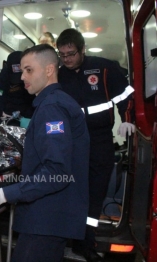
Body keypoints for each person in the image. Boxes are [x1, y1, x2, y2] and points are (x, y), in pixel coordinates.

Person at [0, 44, 90, 261]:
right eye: (22, 70)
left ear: (49, 70)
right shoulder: (53, 104)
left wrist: (3, 195)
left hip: (47, 218)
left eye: (29, 70)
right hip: (51, 216)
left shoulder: (52, 108)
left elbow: (55, 171)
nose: (22, 77)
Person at [56, 28, 135, 262]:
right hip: (70, 141)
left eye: (71, 54)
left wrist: (128, 120)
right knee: (69, 191)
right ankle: (63, 239)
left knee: (94, 195)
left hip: (100, 140)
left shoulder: (104, 68)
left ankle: (85, 244)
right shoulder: (59, 75)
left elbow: (126, 96)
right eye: (62, 55)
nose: (66, 59)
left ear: (83, 50)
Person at [0, 51, 35, 126]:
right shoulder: (4, 76)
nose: (21, 78)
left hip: (27, 114)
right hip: (9, 115)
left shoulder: (32, 74)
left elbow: (34, 98)